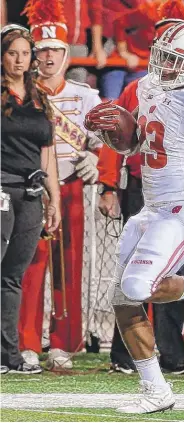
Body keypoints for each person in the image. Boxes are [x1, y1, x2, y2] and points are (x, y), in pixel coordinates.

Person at [84, 21, 184, 413]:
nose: (164, 66)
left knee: (138, 286)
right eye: (162, 56)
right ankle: (156, 391)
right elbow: (141, 143)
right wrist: (118, 139)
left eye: (174, 60)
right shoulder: (147, 87)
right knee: (122, 297)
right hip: (152, 207)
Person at [18, 0, 102, 370]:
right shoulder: (20, 95)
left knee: (69, 267)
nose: (49, 57)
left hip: (70, 188)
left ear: (67, 54)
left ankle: (63, 343)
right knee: (30, 266)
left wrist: (96, 157)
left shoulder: (86, 96)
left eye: (56, 50)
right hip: (30, 187)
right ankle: (26, 343)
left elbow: (105, 139)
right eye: (42, 50)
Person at [1, 25, 61, 374]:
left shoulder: (39, 97)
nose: (19, 60)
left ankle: (7, 356)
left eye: (25, 53)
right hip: (1, 188)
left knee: (11, 276)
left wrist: (53, 200)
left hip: (30, 193)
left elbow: (47, 154)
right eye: (12, 53)